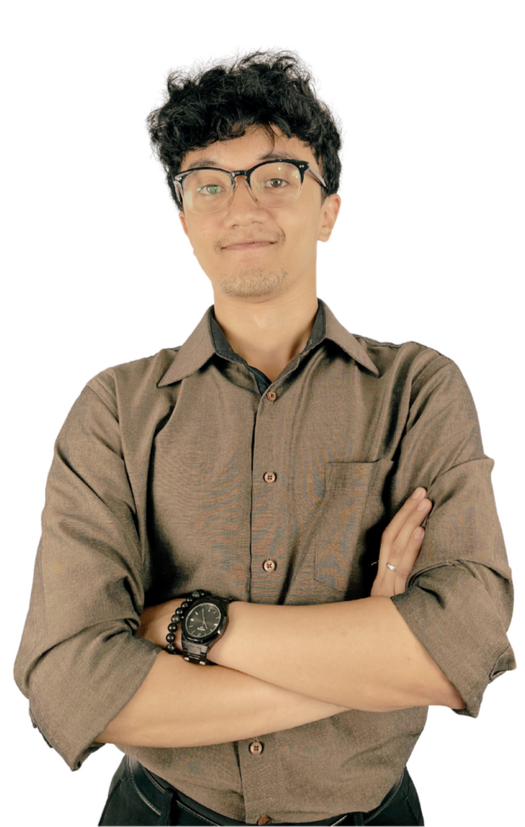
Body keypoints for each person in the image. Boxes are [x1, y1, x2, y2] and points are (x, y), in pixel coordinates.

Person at [11, 46, 517, 827]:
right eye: (209, 183)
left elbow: (465, 645)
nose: (240, 206)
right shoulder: (111, 407)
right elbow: (73, 684)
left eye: (275, 177)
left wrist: (186, 625)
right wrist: (369, 655)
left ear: (330, 210)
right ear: (182, 223)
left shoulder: (421, 388)